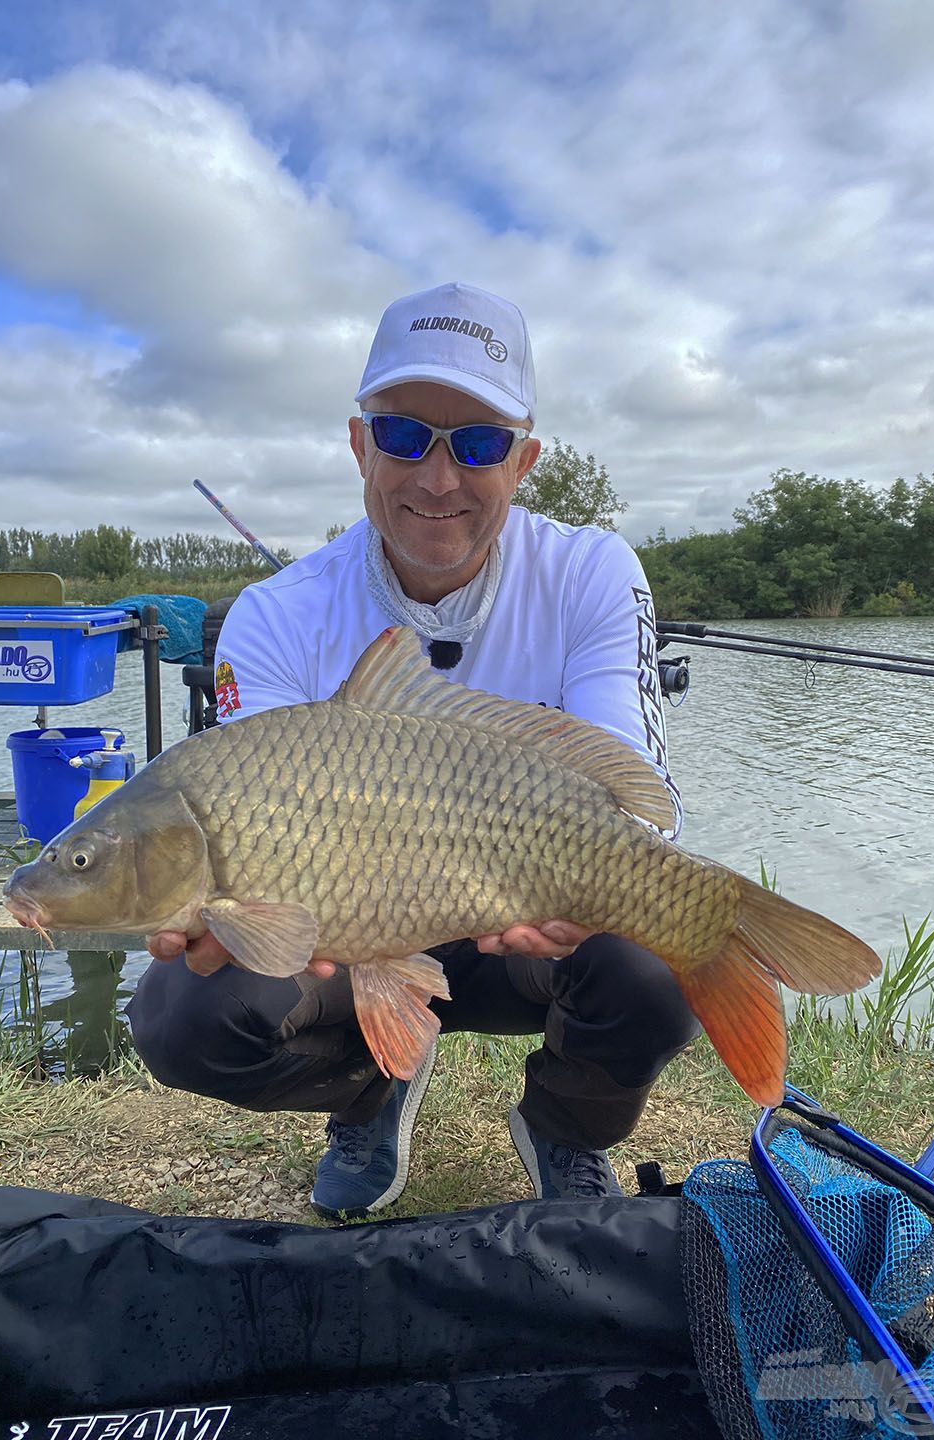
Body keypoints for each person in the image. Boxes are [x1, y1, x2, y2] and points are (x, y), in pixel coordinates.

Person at [127, 281, 700, 1218]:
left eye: (476, 444)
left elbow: (635, 807)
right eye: (404, 437)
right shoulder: (276, 615)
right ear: (360, 443)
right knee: (186, 1015)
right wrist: (224, 913)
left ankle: (564, 1125)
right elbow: (235, 815)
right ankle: (371, 1094)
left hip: (526, 921)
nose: (438, 478)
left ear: (523, 462)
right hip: (342, 935)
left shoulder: (592, 572)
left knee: (659, 960)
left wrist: (598, 889)